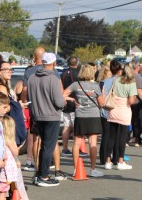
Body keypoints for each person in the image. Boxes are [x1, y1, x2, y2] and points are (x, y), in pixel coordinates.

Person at [27, 52, 65, 186]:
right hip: (51, 116)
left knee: (42, 145)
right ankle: (44, 176)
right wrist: (65, 102)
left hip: (37, 115)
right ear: (54, 63)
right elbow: (59, 102)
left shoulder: (32, 77)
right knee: (48, 146)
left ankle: (39, 173)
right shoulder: (53, 79)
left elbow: (29, 97)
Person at [62, 64, 104, 177]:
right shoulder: (96, 86)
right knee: (92, 143)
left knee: (77, 143)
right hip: (94, 116)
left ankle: (76, 169)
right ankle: (93, 169)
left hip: (80, 116)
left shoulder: (76, 85)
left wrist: (72, 99)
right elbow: (102, 103)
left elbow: (63, 95)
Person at [101, 63, 138, 171]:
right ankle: (120, 161)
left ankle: (108, 161)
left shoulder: (116, 80)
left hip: (113, 109)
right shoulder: (131, 83)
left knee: (111, 136)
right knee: (122, 137)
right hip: (124, 110)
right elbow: (131, 101)